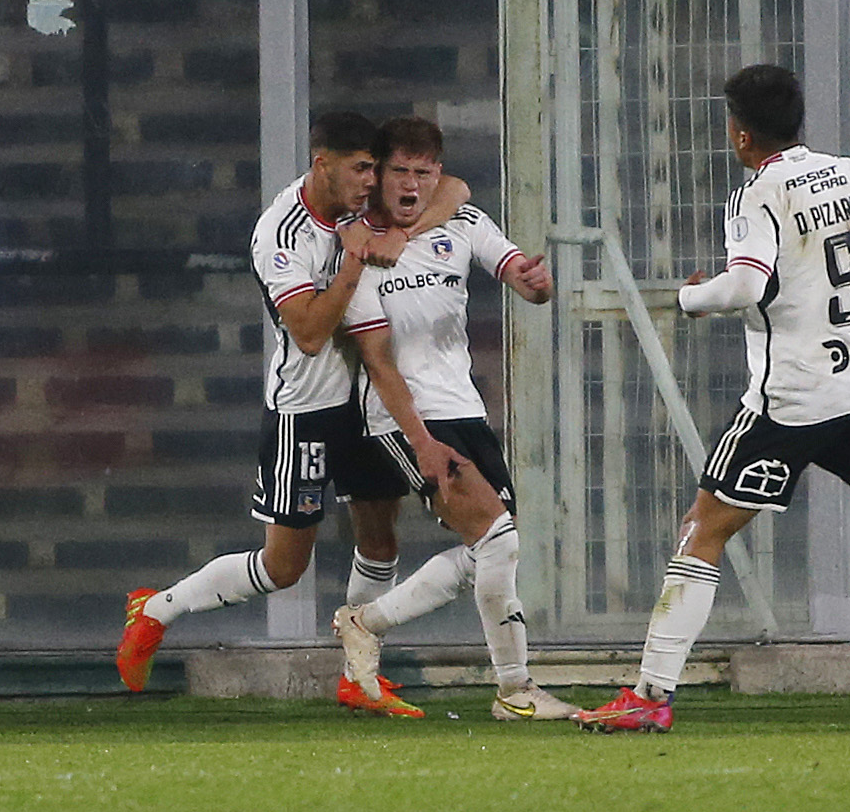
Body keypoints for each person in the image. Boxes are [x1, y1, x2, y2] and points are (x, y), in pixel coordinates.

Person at [573, 65, 850, 732]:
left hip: (790, 399)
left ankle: (649, 695)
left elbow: (743, 287)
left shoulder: (755, 195)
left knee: (702, 529)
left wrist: (686, 298)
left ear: (739, 133)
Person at [115, 111, 467, 705]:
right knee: (284, 567)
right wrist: (355, 260)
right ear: (321, 163)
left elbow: (455, 190)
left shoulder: (364, 206)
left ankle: (358, 673)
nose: (371, 182)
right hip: (306, 408)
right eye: (361, 169)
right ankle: (156, 608)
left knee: (381, 539)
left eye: (375, 170)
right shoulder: (281, 233)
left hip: (367, 401)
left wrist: (399, 234)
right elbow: (307, 332)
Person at [331, 116, 579, 721]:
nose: (412, 185)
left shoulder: (462, 222)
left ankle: (371, 633)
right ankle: (511, 689)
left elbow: (519, 273)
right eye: (400, 172)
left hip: (463, 407)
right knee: (494, 541)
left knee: (496, 548)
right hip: (400, 414)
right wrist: (418, 441)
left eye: (425, 172)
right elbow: (378, 358)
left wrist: (534, 281)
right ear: (379, 175)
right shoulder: (356, 245)